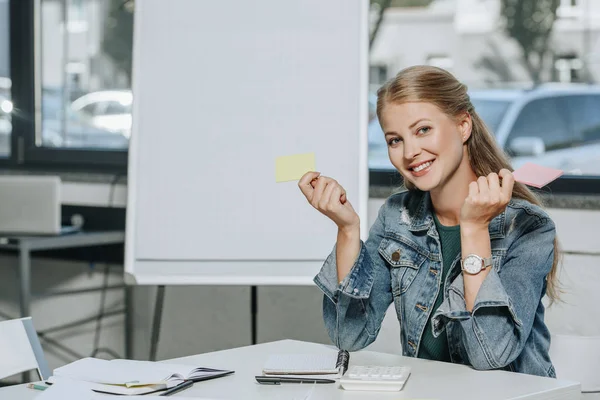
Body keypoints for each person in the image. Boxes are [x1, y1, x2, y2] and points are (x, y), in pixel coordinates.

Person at [298, 65, 560, 377]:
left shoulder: (529, 227)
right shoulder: (398, 217)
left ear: (463, 126)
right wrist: (347, 229)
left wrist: (474, 229)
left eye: (423, 130)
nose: (410, 152)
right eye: (395, 140)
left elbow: (491, 354)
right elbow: (349, 335)